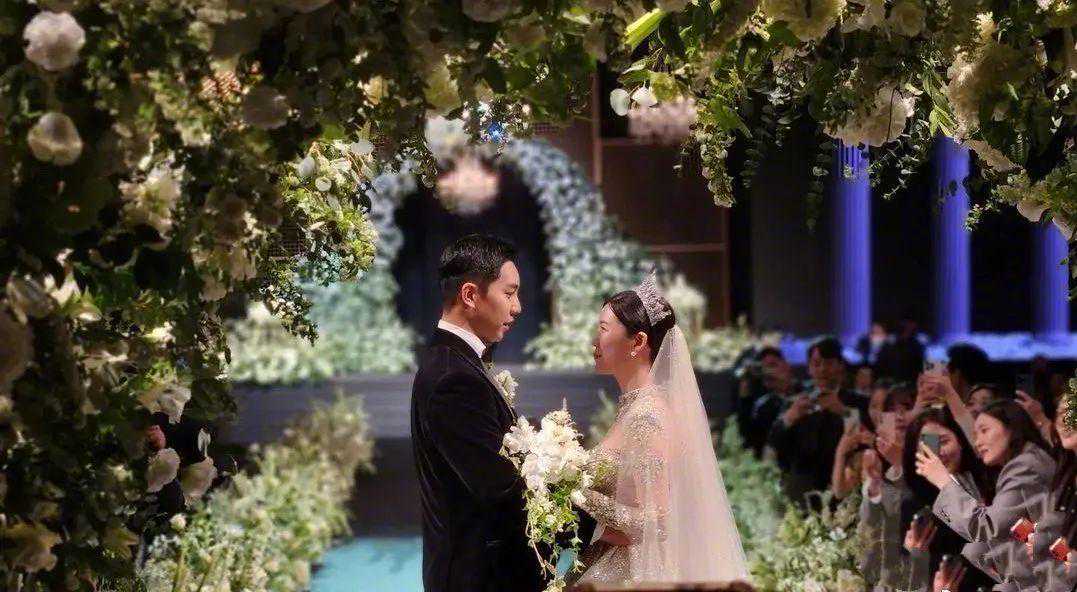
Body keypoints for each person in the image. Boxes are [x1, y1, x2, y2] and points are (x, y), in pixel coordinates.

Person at [570, 272, 750, 585]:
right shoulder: (634, 408)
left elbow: (659, 522)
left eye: (603, 329)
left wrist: (580, 496)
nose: (594, 341)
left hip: (632, 573)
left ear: (638, 342)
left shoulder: (646, 418)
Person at [410, 235, 548, 592]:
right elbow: (500, 490)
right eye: (509, 293)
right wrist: (596, 518)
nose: (518, 307)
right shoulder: (452, 377)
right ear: (470, 295)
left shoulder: (455, 363)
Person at [915, 400, 1056, 590]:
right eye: (975, 435)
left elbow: (986, 526)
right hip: (1034, 571)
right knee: (974, 551)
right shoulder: (1022, 462)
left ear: (1011, 427)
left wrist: (943, 481)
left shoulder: (1025, 466)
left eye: (984, 431)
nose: (978, 442)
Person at [768, 336, 871, 506]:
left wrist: (843, 411)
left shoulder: (859, 402)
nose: (823, 369)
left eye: (829, 363)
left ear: (840, 365)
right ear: (809, 368)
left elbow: (867, 441)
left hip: (843, 491)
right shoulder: (796, 401)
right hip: (801, 492)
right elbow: (774, 442)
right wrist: (790, 417)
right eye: (816, 364)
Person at [900, 409, 993, 592]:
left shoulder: (988, 481)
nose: (939, 453)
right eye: (929, 446)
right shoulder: (915, 505)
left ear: (960, 441)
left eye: (943, 442)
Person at [745, 346, 801, 456]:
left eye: (773, 365)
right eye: (763, 369)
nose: (768, 372)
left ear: (787, 365)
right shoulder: (762, 407)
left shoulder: (808, 392)